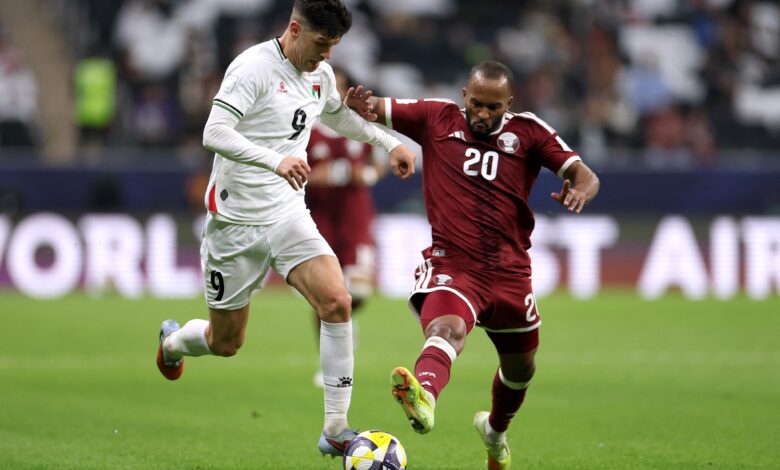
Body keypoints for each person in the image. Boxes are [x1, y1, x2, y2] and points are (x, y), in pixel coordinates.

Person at [154, 0, 416, 458]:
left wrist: (387, 142)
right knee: (225, 342)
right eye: (321, 43)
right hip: (235, 223)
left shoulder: (320, 74)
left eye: (334, 46)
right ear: (295, 29)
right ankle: (173, 343)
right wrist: (275, 160)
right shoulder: (252, 67)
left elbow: (335, 115)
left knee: (337, 301)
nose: (327, 56)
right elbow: (215, 132)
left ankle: (336, 429)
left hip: (287, 213)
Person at [356, 61, 600, 469]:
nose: (483, 114)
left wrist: (580, 191)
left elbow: (586, 176)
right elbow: (373, 108)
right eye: (477, 104)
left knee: (520, 369)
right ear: (464, 96)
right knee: (447, 329)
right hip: (454, 264)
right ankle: (425, 396)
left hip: (509, 272)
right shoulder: (436, 117)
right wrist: (359, 104)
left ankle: (495, 431)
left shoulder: (530, 132)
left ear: (509, 103)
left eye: (493, 107)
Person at [305, 67, 388, 387]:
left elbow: (378, 164)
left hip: (356, 217)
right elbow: (294, 170)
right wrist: (323, 176)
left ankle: (348, 322)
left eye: (339, 86)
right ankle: (328, 365)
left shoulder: (360, 125)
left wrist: (364, 176)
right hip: (319, 218)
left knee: (359, 291)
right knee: (325, 294)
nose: (334, 92)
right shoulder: (306, 127)